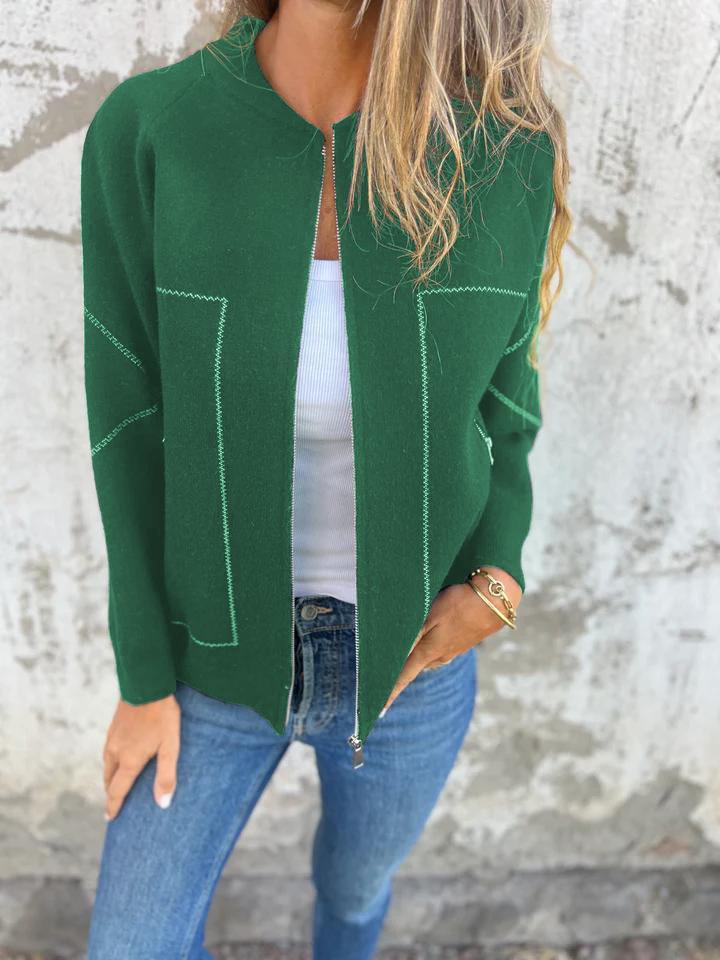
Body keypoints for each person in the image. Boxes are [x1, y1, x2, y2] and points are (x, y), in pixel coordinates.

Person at [81, 0, 570, 956]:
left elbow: (508, 401)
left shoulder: (503, 157)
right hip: (207, 662)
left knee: (352, 895)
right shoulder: (154, 131)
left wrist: (497, 578)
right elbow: (126, 423)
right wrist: (141, 676)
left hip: (411, 668)